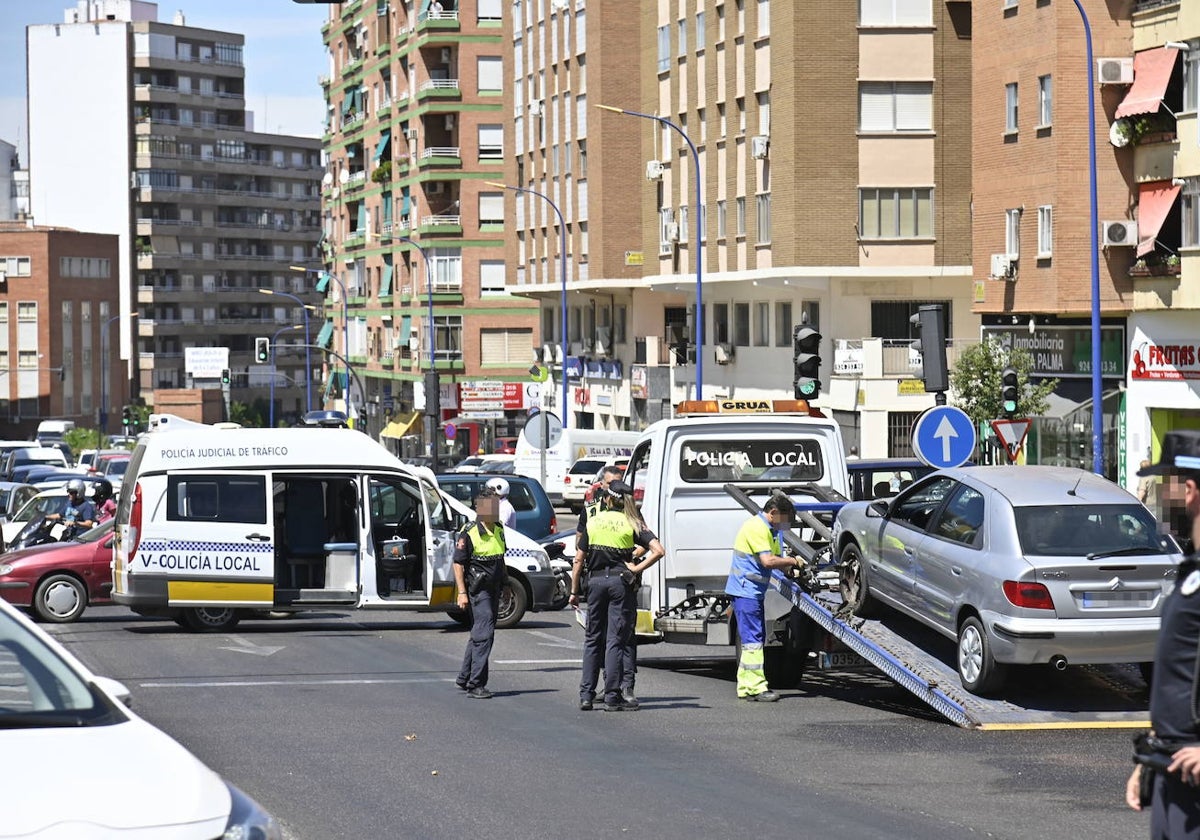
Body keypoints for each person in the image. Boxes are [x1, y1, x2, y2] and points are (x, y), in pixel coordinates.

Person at [1125, 430, 1200, 835]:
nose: (1157, 499)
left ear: (1188, 490)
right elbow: (1182, 678)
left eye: (1163, 485)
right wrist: (1149, 760)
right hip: (1172, 778)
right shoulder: (1190, 571)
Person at [569, 480, 663, 712]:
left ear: (607, 499)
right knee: (615, 640)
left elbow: (578, 559)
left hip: (596, 582)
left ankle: (586, 695)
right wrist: (636, 568)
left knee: (592, 639)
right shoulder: (632, 522)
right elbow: (659, 550)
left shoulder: (594, 521)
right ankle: (612, 696)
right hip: (620, 583)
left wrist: (574, 592)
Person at [725, 492, 803, 702]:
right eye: (785, 521)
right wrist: (793, 562)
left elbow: (777, 559)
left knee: (752, 640)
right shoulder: (756, 528)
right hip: (746, 591)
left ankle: (746, 686)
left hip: (752, 592)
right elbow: (768, 561)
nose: (786, 527)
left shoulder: (772, 529)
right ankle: (757, 687)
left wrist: (790, 568)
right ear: (774, 513)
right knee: (753, 641)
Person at [577, 464, 641, 703]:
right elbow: (580, 542)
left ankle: (625, 686)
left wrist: (628, 557)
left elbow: (643, 537)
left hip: (620, 576)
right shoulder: (591, 510)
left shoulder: (628, 509)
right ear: (601, 486)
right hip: (599, 575)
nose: (615, 487)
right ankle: (608, 688)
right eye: (610, 483)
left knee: (623, 635)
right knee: (601, 636)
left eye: (618, 482)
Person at [452, 489, 508, 700]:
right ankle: (476, 684)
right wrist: (462, 593)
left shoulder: (500, 528)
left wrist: (506, 584)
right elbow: (458, 564)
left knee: (479, 632)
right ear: (480, 509)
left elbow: (501, 558)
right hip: (479, 589)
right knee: (485, 635)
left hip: (494, 588)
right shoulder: (469, 531)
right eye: (491, 507)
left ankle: (464, 676)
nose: (495, 511)